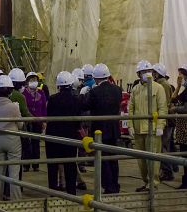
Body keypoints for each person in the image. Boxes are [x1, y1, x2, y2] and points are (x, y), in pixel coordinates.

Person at [128, 60, 167, 192]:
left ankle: (153, 183)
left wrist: (161, 125)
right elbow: (131, 109)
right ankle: (146, 182)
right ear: (138, 74)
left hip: (153, 130)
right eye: (144, 72)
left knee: (153, 160)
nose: (147, 74)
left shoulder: (158, 88)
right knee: (141, 160)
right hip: (139, 130)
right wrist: (130, 126)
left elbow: (162, 108)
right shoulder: (135, 89)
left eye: (149, 71)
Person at [88, 63, 122, 194]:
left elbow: (85, 105)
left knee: (103, 159)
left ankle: (108, 186)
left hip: (99, 131)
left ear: (96, 78)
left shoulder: (94, 91)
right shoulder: (117, 90)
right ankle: (115, 184)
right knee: (113, 158)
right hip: (113, 129)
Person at [46, 71, 81, 195]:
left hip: (53, 136)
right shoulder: (76, 100)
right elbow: (78, 120)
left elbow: (48, 116)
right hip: (70, 136)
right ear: (71, 85)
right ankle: (71, 191)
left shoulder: (52, 99)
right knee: (70, 165)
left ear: (58, 86)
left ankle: (52, 190)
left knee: (52, 165)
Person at [0, 75, 23, 200]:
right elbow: (20, 125)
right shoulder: (14, 106)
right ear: (10, 90)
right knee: (14, 173)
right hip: (12, 139)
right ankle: (16, 199)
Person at [152, 63, 175, 182]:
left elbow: (164, 104)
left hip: (165, 120)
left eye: (154, 72)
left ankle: (167, 171)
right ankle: (168, 169)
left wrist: (162, 120)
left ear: (157, 73)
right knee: (163, 146)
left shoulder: (163, 85)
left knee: (163, 147)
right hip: (164, 120)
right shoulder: (161, 84)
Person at [23, 71, 47, 172]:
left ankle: (36, 164)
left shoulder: (41, 93)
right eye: (32, 80)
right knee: (27, 143)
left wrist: (44, 120)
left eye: (35, 80)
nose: (34, 82)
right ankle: (26, 164)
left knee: (36, 143)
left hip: (38, 122)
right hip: (28, 122)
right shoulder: (24, 93)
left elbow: (44, 107)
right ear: (27, 81)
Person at [170, 64, 187, 189]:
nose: (179, 77)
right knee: (183, 154)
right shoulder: (184, 90)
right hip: (182, 128)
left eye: (182, 74)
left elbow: (185, 108)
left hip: (186, 129)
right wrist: (178, 86)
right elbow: (174, 98)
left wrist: (175, 109)